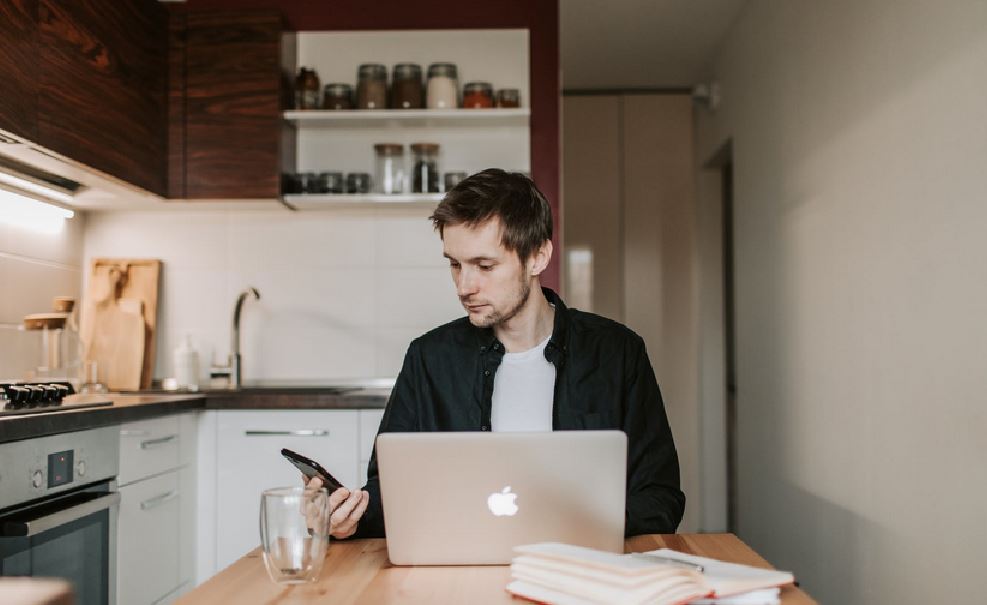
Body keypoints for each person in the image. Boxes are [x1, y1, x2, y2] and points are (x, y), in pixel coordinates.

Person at [308, 168, 685, 539]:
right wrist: (349, 517)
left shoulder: (617, 353)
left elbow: (660, 497)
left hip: (579, 570)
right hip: (456, 570)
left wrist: (576, 523)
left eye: (484, 266)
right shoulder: (429, 358)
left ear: (537, 256)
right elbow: (388, 490)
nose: (464, 286)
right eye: (455, 265)